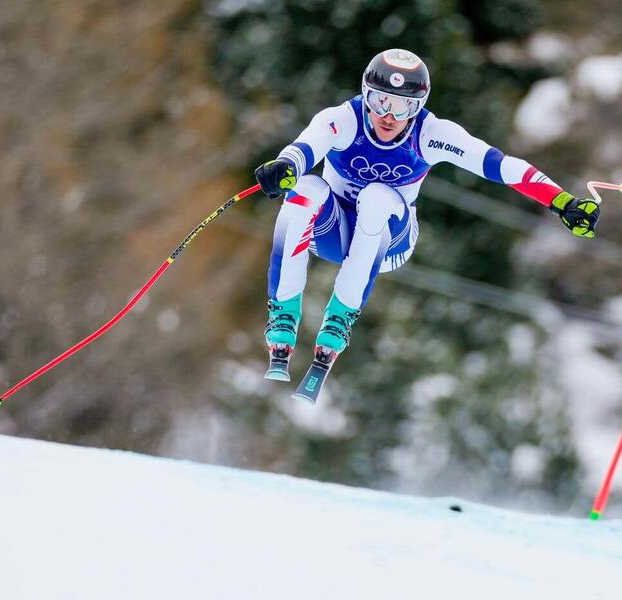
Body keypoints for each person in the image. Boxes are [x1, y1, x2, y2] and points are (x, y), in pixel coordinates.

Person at [254, 48, 600, 376]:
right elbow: (304, 148)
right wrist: (285, 167)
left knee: (376, 197)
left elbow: (498, 164)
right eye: (380, 101)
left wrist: (562, 201)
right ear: (365, 95)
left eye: (403, 106)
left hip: (391, 243)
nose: (389, 116)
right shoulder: (342, 120)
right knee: (304, 188)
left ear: (418, 107)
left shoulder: (431, 134)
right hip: (334, 233)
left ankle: (340, 317)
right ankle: (283, 314)